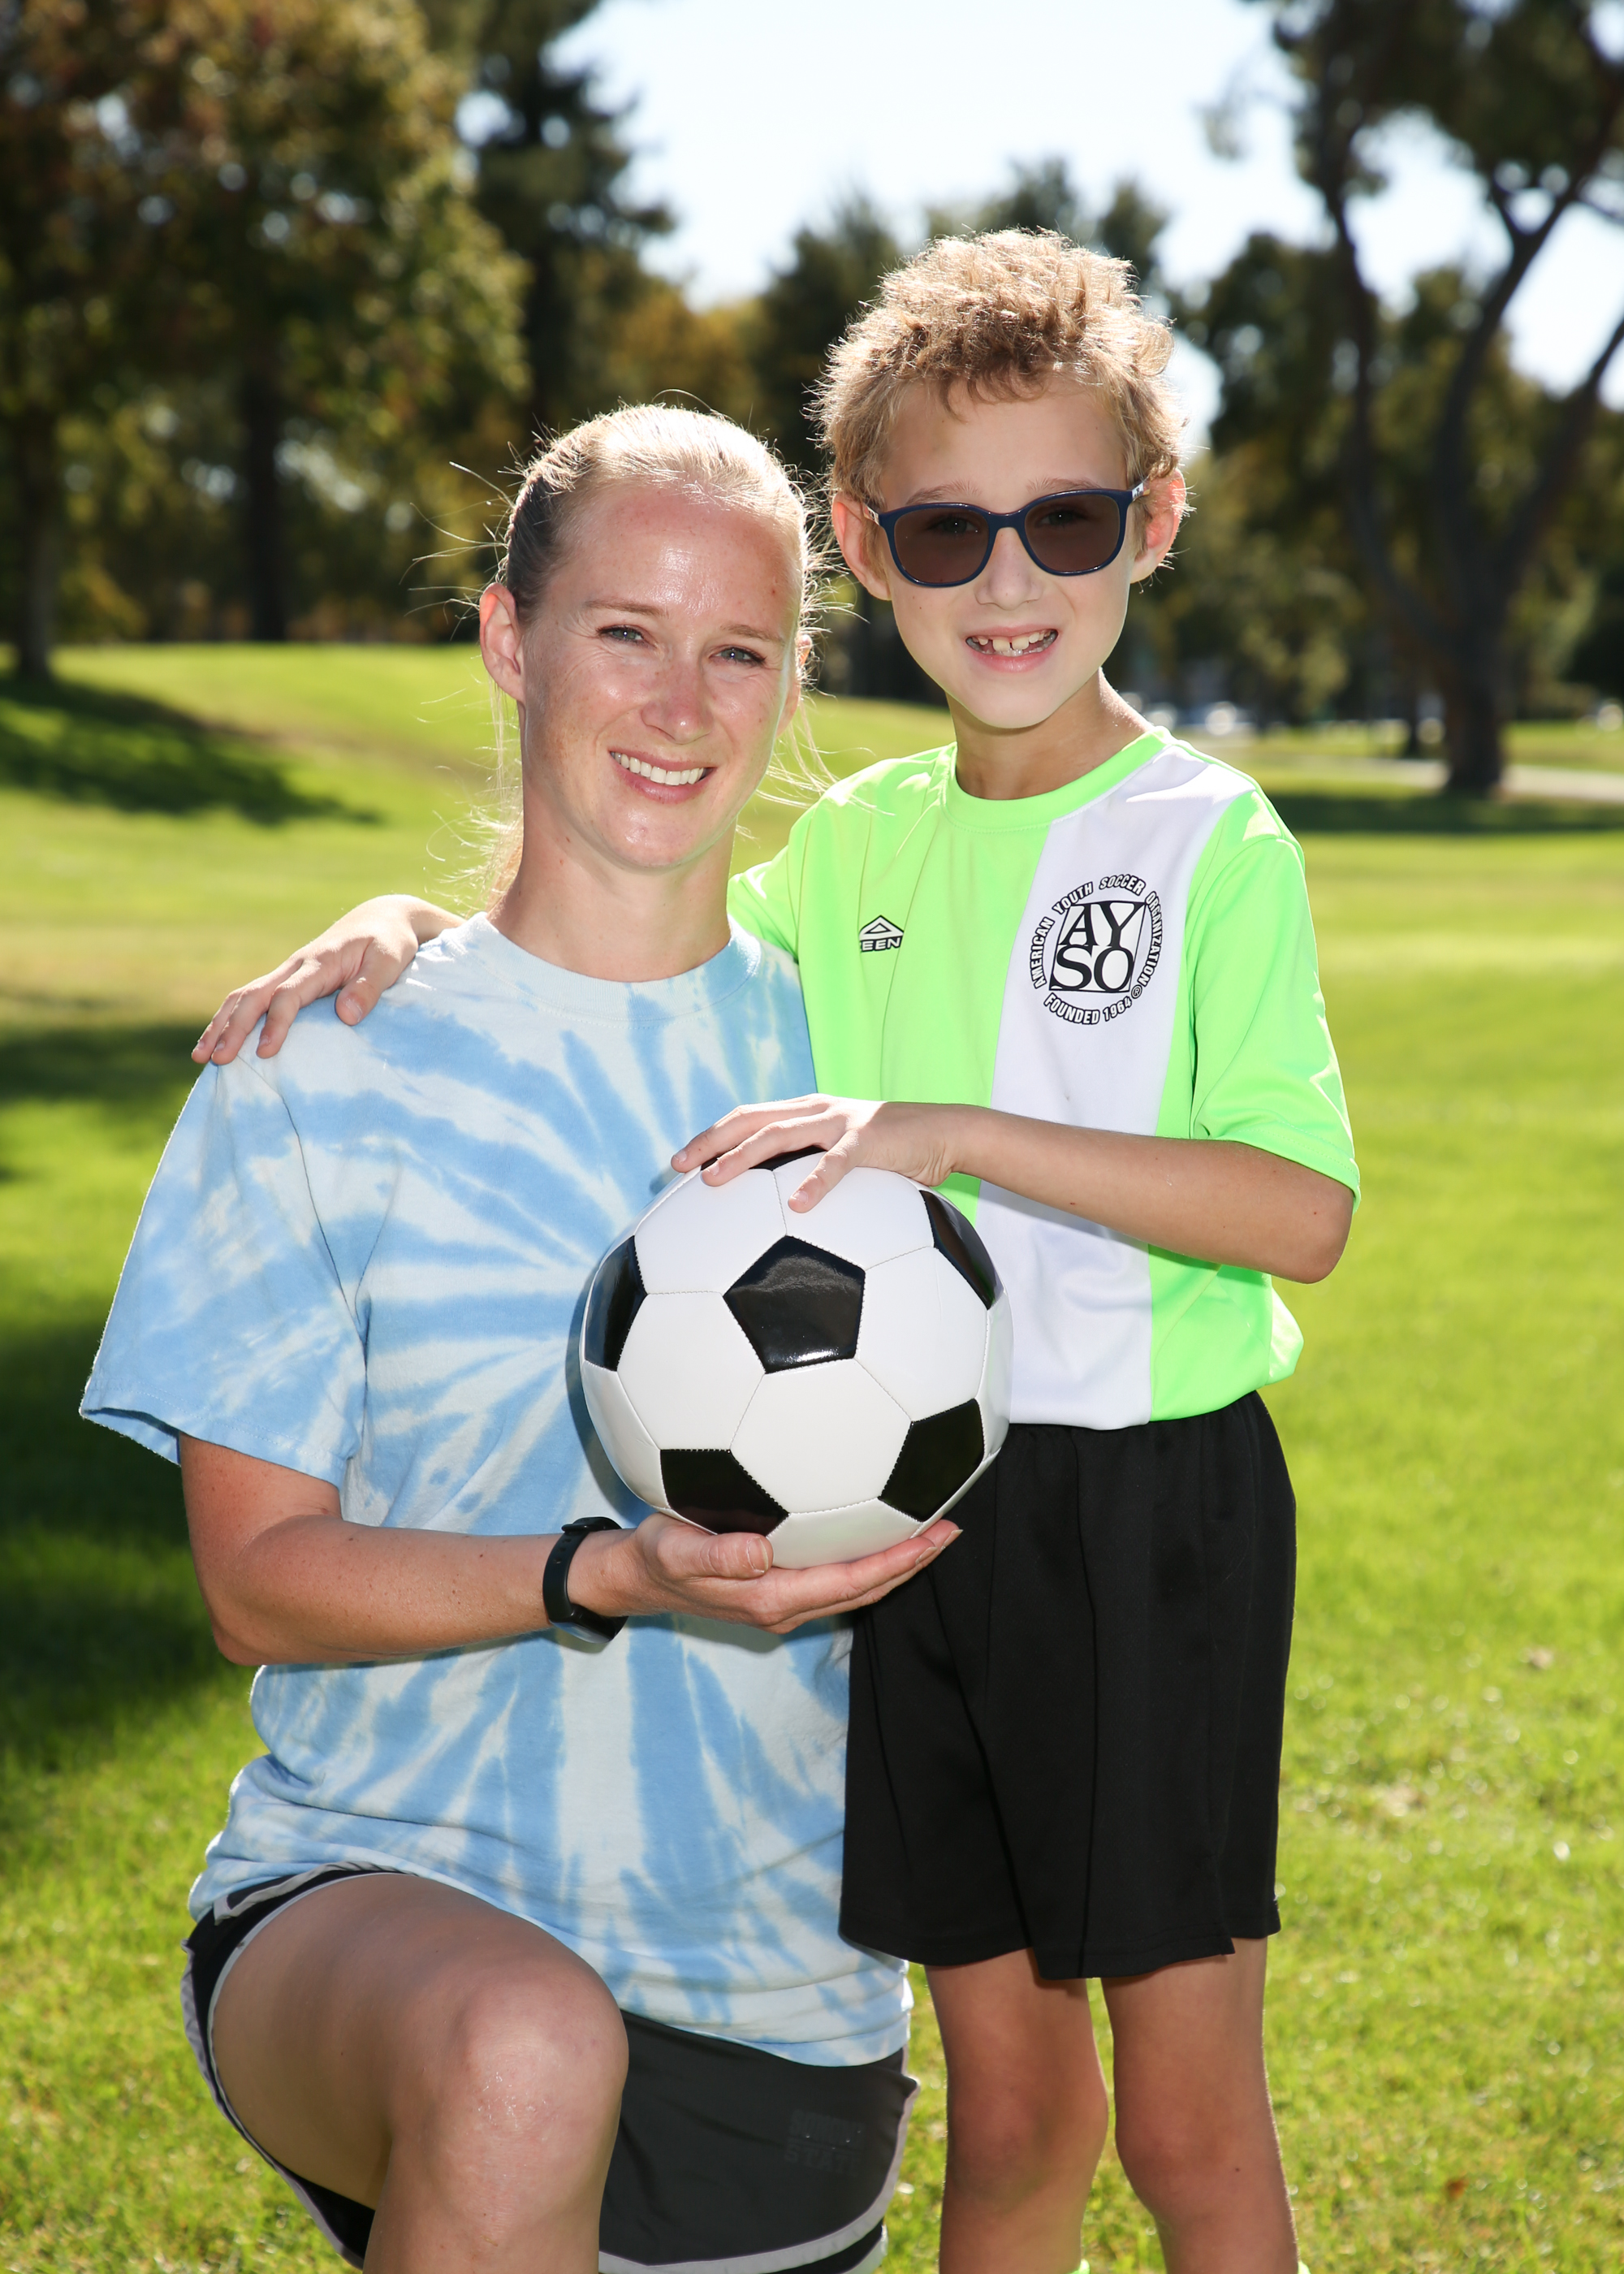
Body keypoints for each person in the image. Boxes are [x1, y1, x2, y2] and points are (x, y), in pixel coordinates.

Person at [200, 233, 1357, 2274]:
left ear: (1153, 522)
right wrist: (403, 924)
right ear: (870, 545)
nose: (1007, 577)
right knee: (1016, 2108)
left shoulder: (1198, 839)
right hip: (913, 1525)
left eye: (1067, 520)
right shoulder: (855, 848)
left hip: (1145, 1515)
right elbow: (608, 930)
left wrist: (954, 1131)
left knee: (1184, 2119)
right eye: (946, 530)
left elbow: (1304, 1211)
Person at [84, 404, 964, 2274]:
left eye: (739, 650)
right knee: (522, 2045)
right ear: (508, 637)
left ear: (793, 680)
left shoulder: (876, 1077)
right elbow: (256, 1582)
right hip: (375, 1900)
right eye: (623, 631)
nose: (680, 703)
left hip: (776, 1988)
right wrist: (608, 1570)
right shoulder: (317, 1063)